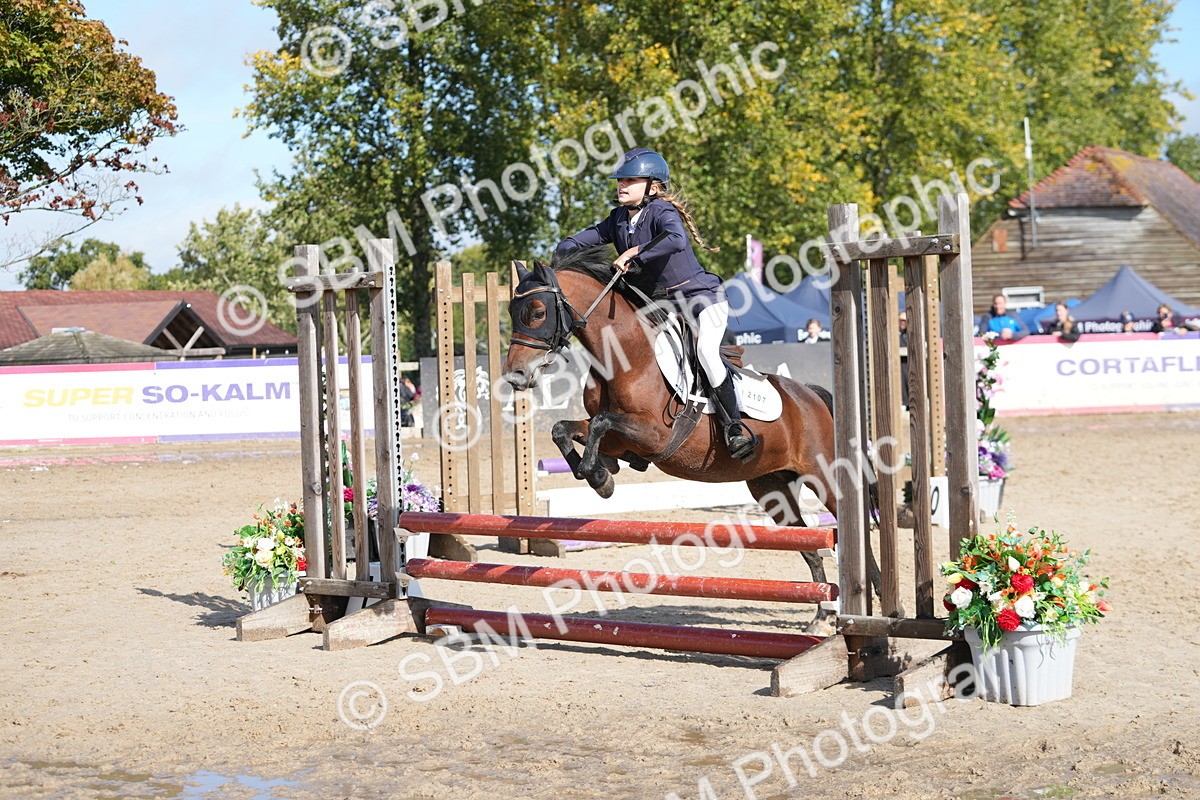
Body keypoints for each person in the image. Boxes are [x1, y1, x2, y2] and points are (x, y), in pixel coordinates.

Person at [555, 147, 757, 460]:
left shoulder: (662, 211)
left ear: (653, 186)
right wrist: (561, 254)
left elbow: (675, 240)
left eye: (630, 180)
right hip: (661, 304)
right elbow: (584, 238)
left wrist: (634, 253)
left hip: (701, 299)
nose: (621, 185)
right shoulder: (618, 220)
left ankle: (734, 427)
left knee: (705, 352)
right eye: (620, 180)